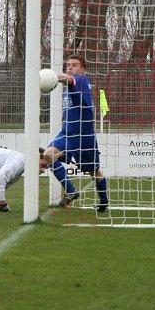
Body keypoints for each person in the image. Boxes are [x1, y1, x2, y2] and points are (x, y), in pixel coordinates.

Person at [43, 54, 109, 212]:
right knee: (48, 155)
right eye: (68, 65)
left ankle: (104, 202)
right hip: (67, 133)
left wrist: (49, 76)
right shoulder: (67, 90)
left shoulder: (81, 81)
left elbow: (69, 79)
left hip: (84, 136)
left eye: (74, 65)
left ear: (83, 69)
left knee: (94, 171)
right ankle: (71, 191)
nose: (70, 67)